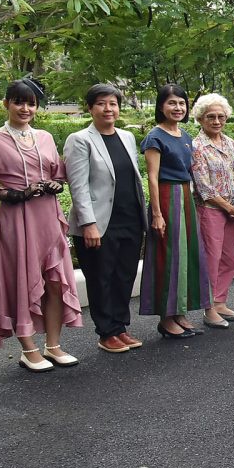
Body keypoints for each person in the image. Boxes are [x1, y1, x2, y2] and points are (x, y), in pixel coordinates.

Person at [0, 79, 82, 371]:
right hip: (17, 219)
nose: (25, 108)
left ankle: (53, 345)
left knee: (55, 282)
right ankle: (28, 349)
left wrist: (55, 184)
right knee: (22, 280)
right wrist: (16, 194)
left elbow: (59, 175)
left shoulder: (44, 136)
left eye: (31, 103)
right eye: (18, 101)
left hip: (48, 217)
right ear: (6, 104)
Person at [65, 83, 147, 353]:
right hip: (99, 223)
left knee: (124, 276)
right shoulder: (80, 139)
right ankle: (106, 332)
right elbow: (78, 186)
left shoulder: (127, 137)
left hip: (130, 219)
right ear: (90, 108)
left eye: (112, 103)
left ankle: (120, 327)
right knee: (101, 277)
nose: (108, 108)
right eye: (101, 103)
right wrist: (88, 224)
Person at [139, 84, 212, 338]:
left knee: (187, 256)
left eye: (181, 103)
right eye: (172, 103)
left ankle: (180, 312)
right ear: (161, 106)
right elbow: (152, 176)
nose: (177, 108)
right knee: (167, 257)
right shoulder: (155, 137)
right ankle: (165, 318)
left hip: (185, 198)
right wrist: (157, 214)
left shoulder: (186, 136)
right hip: (167, 198)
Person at [191, 93, 234, 329]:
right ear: (201, 119)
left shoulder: (230, 143)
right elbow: (203, 185)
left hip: (233, 209)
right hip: (211, 209)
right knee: (211, 260)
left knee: (228, 258)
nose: (216, 121)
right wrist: (227, 206)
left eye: (221, 117)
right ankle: (209, 309)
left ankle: (221, 301)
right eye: (211, 117)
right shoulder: (197, 146)